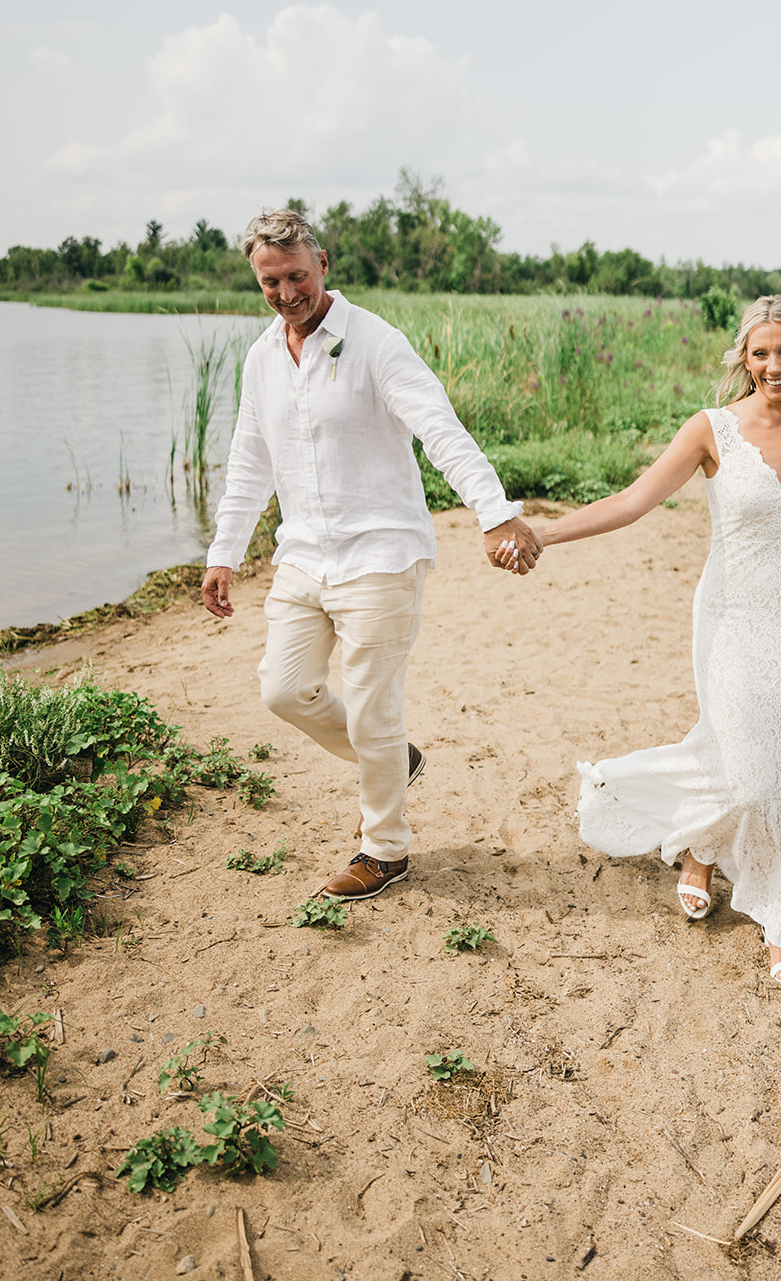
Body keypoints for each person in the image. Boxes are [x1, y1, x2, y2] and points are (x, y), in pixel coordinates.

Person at [504, 295, 781, 984]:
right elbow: (633, 502)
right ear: (743, 360)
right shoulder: (711, 430)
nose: (773, 365)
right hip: (733, 620)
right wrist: (540, 532)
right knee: (749, 773)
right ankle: (696, 841)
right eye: (760, 353)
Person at [201, 208, 541, 902]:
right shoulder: (262, 356)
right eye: (270, 281)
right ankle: (394, 761)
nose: (285, 292)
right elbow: (249, 460)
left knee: (371, 711)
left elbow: (439, 430)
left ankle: (384, 850)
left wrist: (495, 514)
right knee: (281, 689)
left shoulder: (376, 342)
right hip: (302, 555)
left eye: (295, 276)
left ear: (322, 265)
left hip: (381, 555)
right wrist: (223, 552)